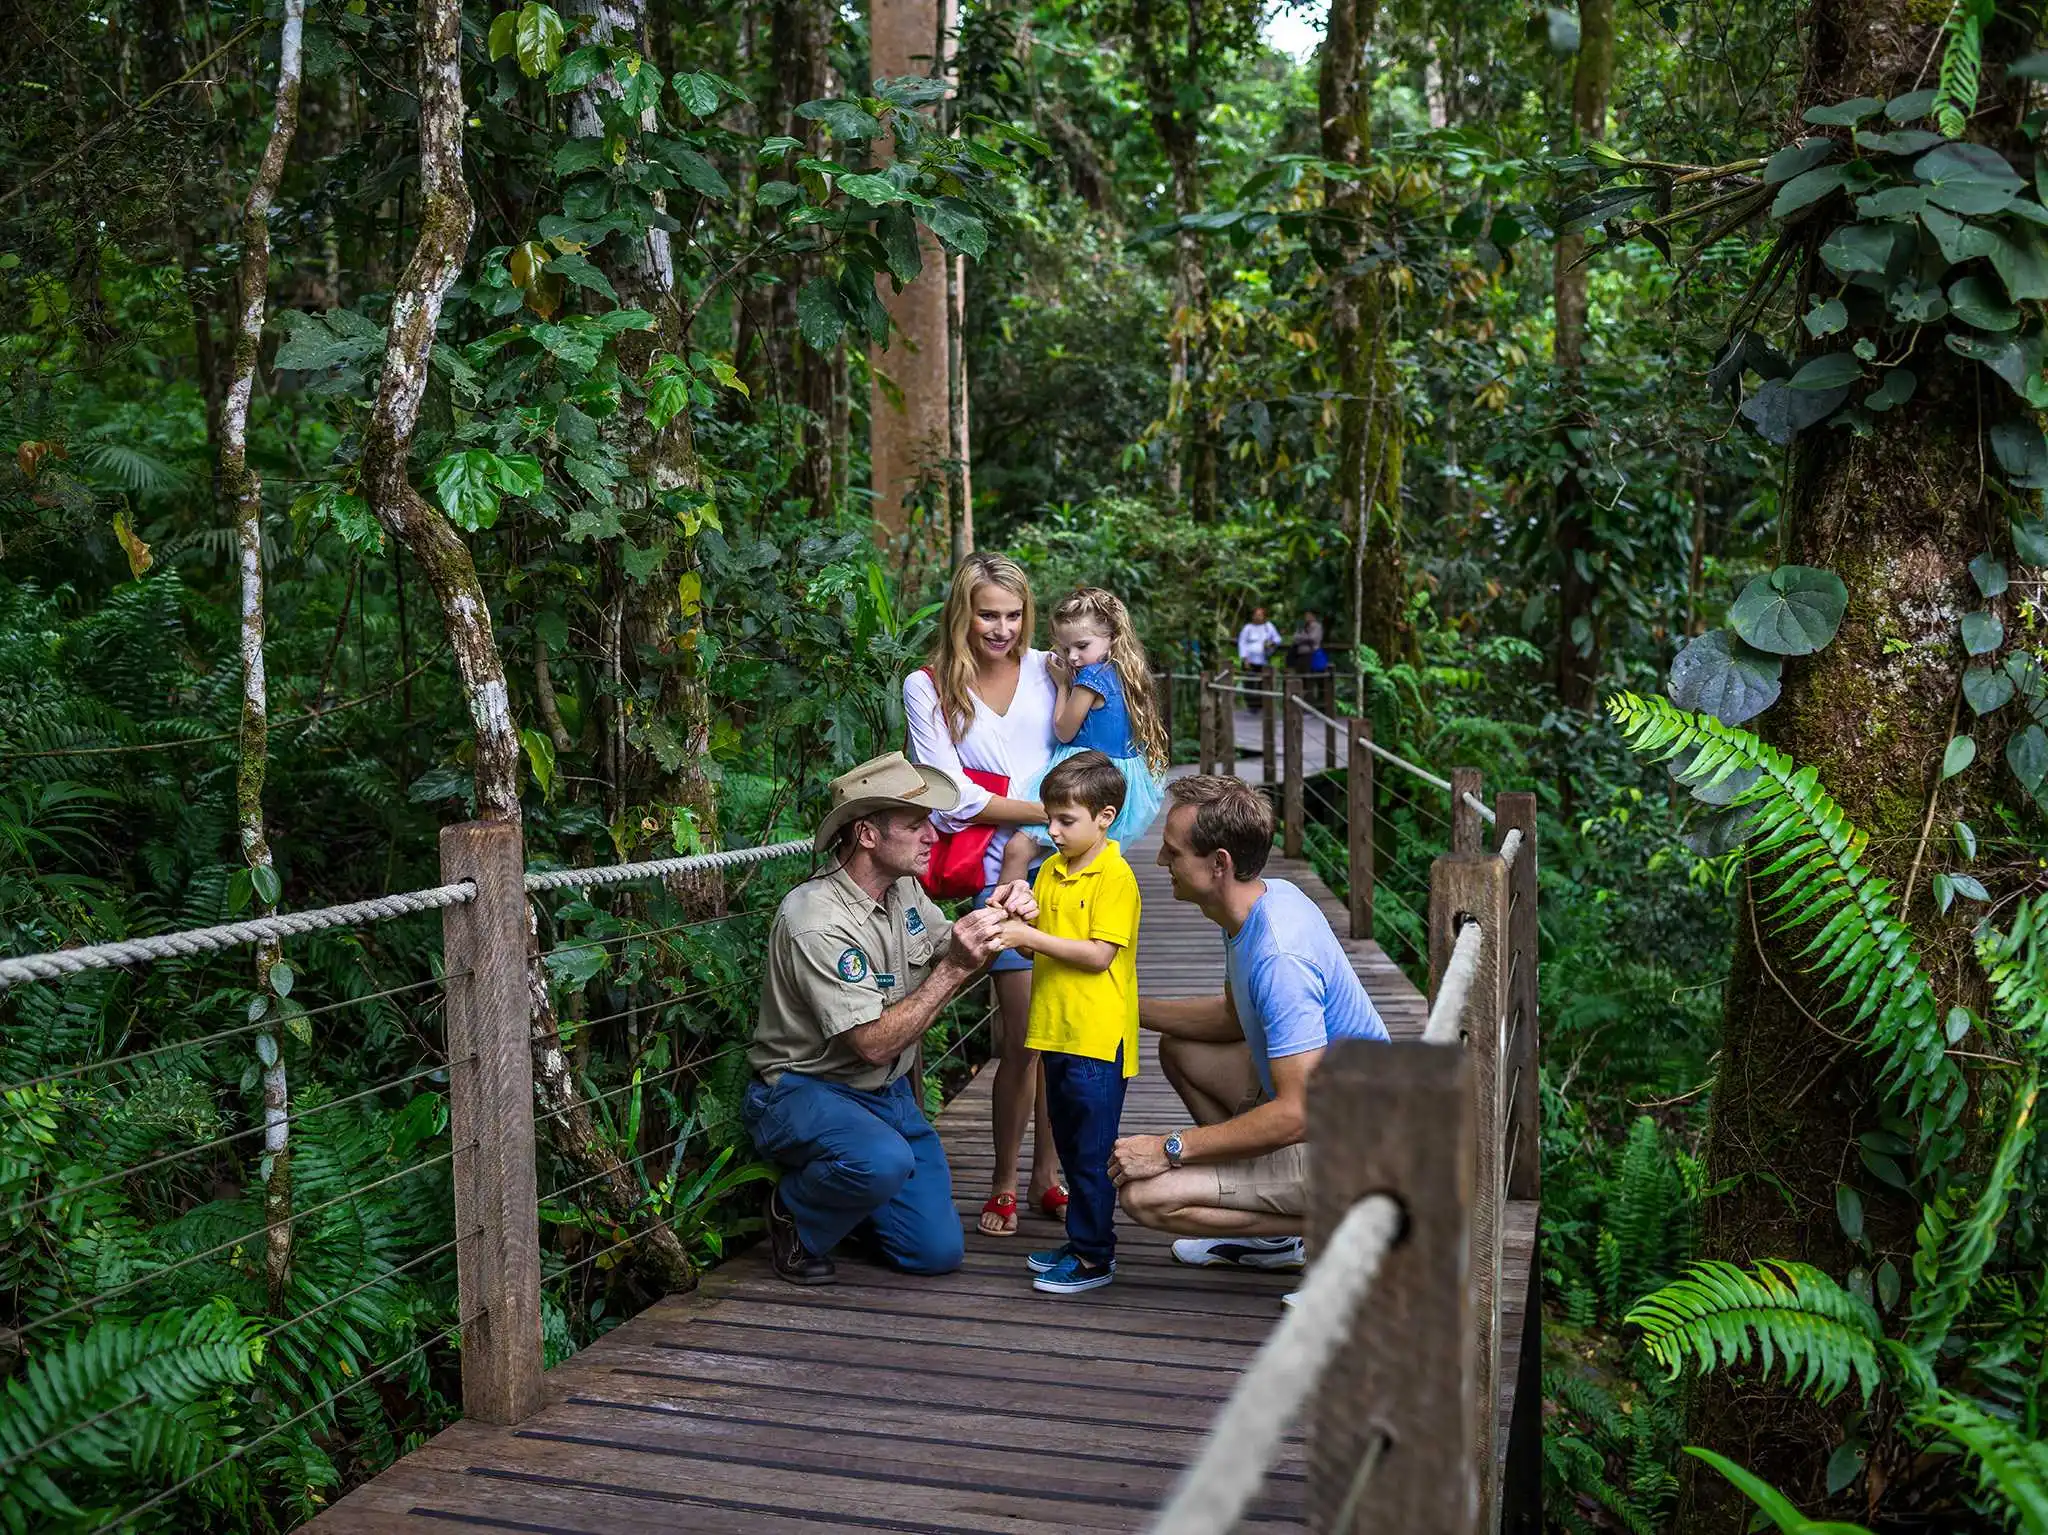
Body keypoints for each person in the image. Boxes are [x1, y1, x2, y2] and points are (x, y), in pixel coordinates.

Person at [744, 752, 1037, 1286]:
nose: (932, 837)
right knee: (879, 1162)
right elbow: (874, 1044)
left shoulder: (902, 887)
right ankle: (794, 1213)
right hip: (805, 1090)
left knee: (936, 1253)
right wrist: (953, 968)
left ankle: (850, 1204)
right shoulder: (816, 920)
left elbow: (955, 944)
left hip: (887, 1095)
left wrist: (1003, 917)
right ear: (867, 836)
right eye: (914, 824)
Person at [1109, 774, 1389, 1269]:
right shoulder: (1257, 901)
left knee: (1145, 1196)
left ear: (1220, 864)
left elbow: (1297, 1112)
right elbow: (1232, 1018)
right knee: (1180, 1049)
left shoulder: (1280, 955)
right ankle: (1273, 1229)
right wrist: (1126, 1008)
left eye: (1172, 853)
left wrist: (1170, 1149)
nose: (1159, 862)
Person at [903, 553, 1066, 1237]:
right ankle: (1003, 1174)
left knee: (1067, 1034)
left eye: (1012, 614)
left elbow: (1090, 751)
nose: (1001, 628)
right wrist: (1050, 811)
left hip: (1072, 867)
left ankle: (1047, 1176)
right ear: (962, 613)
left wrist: (1054, 821)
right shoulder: (930, 686)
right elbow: (948, 798)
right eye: (987, 613)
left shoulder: (1050, 671)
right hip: (995, 878)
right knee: (1025, 1033)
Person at [994, 752, 1143, 1295]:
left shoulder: (1117, 876)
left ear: (1105, 817)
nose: (1051, 831)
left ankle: (1094, 1258)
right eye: (1050, 818)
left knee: (1089, 1153)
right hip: (1054, 1030)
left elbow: (1099, 954)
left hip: (1097, 1038)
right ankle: (1082, 1238)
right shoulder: (1053, 872)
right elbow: (1047, 951)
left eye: (1065, 821)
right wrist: (1021, 915)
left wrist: (1028, 938)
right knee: (1069, 1140)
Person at [997, 587, 1168, 890]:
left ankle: (1002, 926)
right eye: (1065, 648)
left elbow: (1064, 730)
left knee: (1017, 850)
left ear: (1112, 637)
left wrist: (1063, 684)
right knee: (1080, 862)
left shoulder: (1089, 679)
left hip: (1083, 777)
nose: (1073, 657)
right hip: (1115, 778)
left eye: (1082, 646)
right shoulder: (1124, 672)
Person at [1236, 607, 1282, 712]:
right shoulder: (1247, 628)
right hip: (1250, 660)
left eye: (1260, 615)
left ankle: (1262, 705)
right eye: (1256, 615)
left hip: (1263, 660)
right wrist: (1244, 658)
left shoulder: (1268, 627)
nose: (1258, 617)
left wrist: (1271, 643)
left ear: (1264, 616)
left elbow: (1278, 639)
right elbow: (1242, 643)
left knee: (1263, 683)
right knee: (1249, 683)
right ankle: (1252, 706)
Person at [1288, 610, 1324, 674]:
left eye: (1308, 615)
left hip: (1310, 654)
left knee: (1308, 675)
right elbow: (1295, 637)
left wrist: (1301, 637)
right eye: (1306, 615)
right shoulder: (1303, 626)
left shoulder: (1317, 626)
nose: (1306, 617)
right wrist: (1301, 637)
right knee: (1299, 674)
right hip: (1300, 654)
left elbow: (1313, 638)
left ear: (1313, 616)